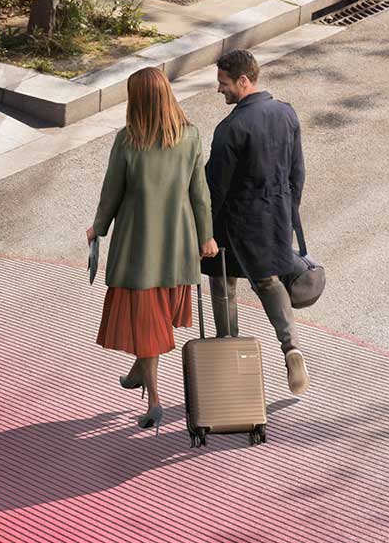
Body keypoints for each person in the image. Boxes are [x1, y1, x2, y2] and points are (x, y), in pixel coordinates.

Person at [86, 66, 217, 429]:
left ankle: (156, 399)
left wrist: (98, 228)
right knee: (157, 320)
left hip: (138, 250)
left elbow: (111, 192)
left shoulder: (128, 141)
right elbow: (199, 194)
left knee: (146, 326)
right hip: (178, 248)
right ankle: (138, 373)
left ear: (137, 100)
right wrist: (206, 236)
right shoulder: (190, 136)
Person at [205, 49, 308, 395]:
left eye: (223, 83)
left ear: (244, 81)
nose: (220, 90)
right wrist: (287, 212)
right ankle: (291, 346)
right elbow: (297, 173)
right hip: (275, 217)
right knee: (268, 283)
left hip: (234, 225)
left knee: (224, 287)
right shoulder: (286, 114)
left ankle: (229, 354)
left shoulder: (230, 129)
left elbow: (215, 188)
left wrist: (206, 232)